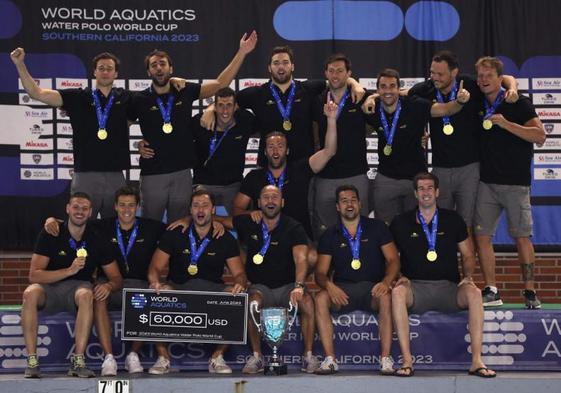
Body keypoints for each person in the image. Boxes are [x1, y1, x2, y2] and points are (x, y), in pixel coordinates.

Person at [129, 31, 257, 222]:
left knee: (180, 227)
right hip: (153, 174)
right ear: (148, 72)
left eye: (162, 64)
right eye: (153, 65)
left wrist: (242, 52)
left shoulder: (184, 90)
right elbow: (118, 126)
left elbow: (221, 84)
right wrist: (136, 145)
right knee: (150, 226)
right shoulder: (138, 99)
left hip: (182, 174)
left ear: (171, 69)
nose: (158, 68)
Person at [390, 172, 496, 378]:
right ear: (415, 193)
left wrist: (467, 275)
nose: (426, 192)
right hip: (416, 289)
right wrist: (399, 276)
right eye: (421, 188)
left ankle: (476, 361)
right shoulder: (400, 222)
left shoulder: (453, 219)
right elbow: (392, 257)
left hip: (450, 288)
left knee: (474, 293)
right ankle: (407, 361)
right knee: (397, 293)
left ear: (437, 192)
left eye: (430, 188)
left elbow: (467, 254)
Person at [10, 48, 131, 218]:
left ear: (116, 74)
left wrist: (175, 81)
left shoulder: (126, 98)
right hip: (84, 175)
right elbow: (36, 93)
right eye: (101, 68)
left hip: (115, 175)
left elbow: (151, 108)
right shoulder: (77, 97)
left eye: (109, 68)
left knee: (113, 229)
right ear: (94, 72)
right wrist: (20, 64)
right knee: (80, 225)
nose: (105, 72)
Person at [408, 50, 519, 230]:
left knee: (467, 224)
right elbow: (401, 94)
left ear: (454, 72)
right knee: (441, 224)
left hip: (470, 169)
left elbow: (504, 78)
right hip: (440, 169)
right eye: (432, 72)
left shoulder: (470, 84)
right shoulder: (426, 89)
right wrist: (370, 95)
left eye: (440, 74)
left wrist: (512, 88)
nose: (434, 77)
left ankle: (467, 258)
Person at [202, 45, 364, 166]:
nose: (281, 66)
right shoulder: (257, 94)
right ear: (269, 68)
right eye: (276, 63)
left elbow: (337, 80)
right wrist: (210, 109)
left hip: (303, 165)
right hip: (268, 164)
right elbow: (227, 101)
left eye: (285, 62)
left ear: (292, 66)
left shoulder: (308, 88)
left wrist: (355, 84)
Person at [21, 192, 122, 378]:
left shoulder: (97, 237)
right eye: (75, 207)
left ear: (91, 212)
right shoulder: (52, 231)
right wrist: (69, 270)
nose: (79, 212)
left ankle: (78, 360)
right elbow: (34, 275)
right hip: (49, 288)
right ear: (67, 209)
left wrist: (108, 286)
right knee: (30, 293)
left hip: (77, 289)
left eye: (84, 208)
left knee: (86, 294)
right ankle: (32, 360)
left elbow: (116, 277)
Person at [472, 57, 546, 308]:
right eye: (480, 76)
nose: (483, 80)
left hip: (516, 184)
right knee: (481, 236)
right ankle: (491, 289)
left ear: (498, 78)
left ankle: (530, 292)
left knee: (522, 237)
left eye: (488, 76)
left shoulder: (518, 102)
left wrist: (506, 124)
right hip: (487, 183)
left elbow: (540, 136)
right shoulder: (477, 99)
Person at [147, 189, 247, 374]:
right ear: (190, 210)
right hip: (179, 287)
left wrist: (240, 283)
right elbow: (154, 268)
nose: (200, 210)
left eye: (205, 205)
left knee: (236, 297)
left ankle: (217, 357)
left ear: (213, 209)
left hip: (212, 289)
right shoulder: (175, 233)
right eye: (196, 206)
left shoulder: (225, 238)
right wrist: (155, 283)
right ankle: (163, 358)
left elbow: (239, 273)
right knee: (159, 294)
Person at [227, 185, 320, 374]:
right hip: (260, 288)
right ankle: (257, 356)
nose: (270, 201)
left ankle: (308, 355)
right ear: (259, 203)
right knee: (252, 304)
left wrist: (299, 286)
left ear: (282, 202)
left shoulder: (293, 226)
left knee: (308, 302)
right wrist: (188, 219)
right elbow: (216, 220)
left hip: (287, 287)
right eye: (266, 197)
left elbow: (301, 258)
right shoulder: (247, 222)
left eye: (275, 197)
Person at [362, 68, 470, 224]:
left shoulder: (415, 105)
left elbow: (446, 109)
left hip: (416, 179)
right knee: (384, 229)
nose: (388, 91)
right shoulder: (372, 108)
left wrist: (459, 101)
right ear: (377, 89)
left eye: (392, 86)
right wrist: (370, 99)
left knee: (417, 228)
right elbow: (364, 129)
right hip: (386, 179)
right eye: (383, 86)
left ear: (399, 89)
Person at [314, 185, 400, 375]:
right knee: (320, 298)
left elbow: (394, 260)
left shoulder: (377, 227)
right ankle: (330, 360)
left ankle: (385, 359)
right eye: (344, 201)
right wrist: (330, 286)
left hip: (373, 290)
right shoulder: (329, 235)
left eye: (353, 200)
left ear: (360, 204)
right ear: (337, 207)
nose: (349, 204)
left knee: (387, 296)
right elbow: (320, 273)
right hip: (342, 291)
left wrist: (386, 282)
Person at [232, 100, 339, 240]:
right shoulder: (254, 176)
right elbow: (237, 209)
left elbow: (329, 151)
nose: (275, 150)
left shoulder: (301, 169)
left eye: (280, 146)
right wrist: (250, 213)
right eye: (270, 146)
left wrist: (331, 119)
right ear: (264, 151)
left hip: (298, 237)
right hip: (265, 237)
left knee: (310, 256)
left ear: (287, 150)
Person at [312, 54, 371, 239]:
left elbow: (388, 101)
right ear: (325, 74)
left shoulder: (361, 97)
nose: (335, 75)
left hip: (356, 173)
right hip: (326, 176)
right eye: (331, 71)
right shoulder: (317, 99)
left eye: (340, 71)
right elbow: (313, 130)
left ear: (349, 73)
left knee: (359, 229)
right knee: (327, 231)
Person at [192, 87, 257, 215]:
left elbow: (268, 126)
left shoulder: (245, 120)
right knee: (202, 222)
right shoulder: (201, 122)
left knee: (237, 224)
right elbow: (177, 136)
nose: (225, 110)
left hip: (233, 185)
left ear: (235, 107)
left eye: (229, 105)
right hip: (204, 184)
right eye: (220, 105)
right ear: (214, 106)